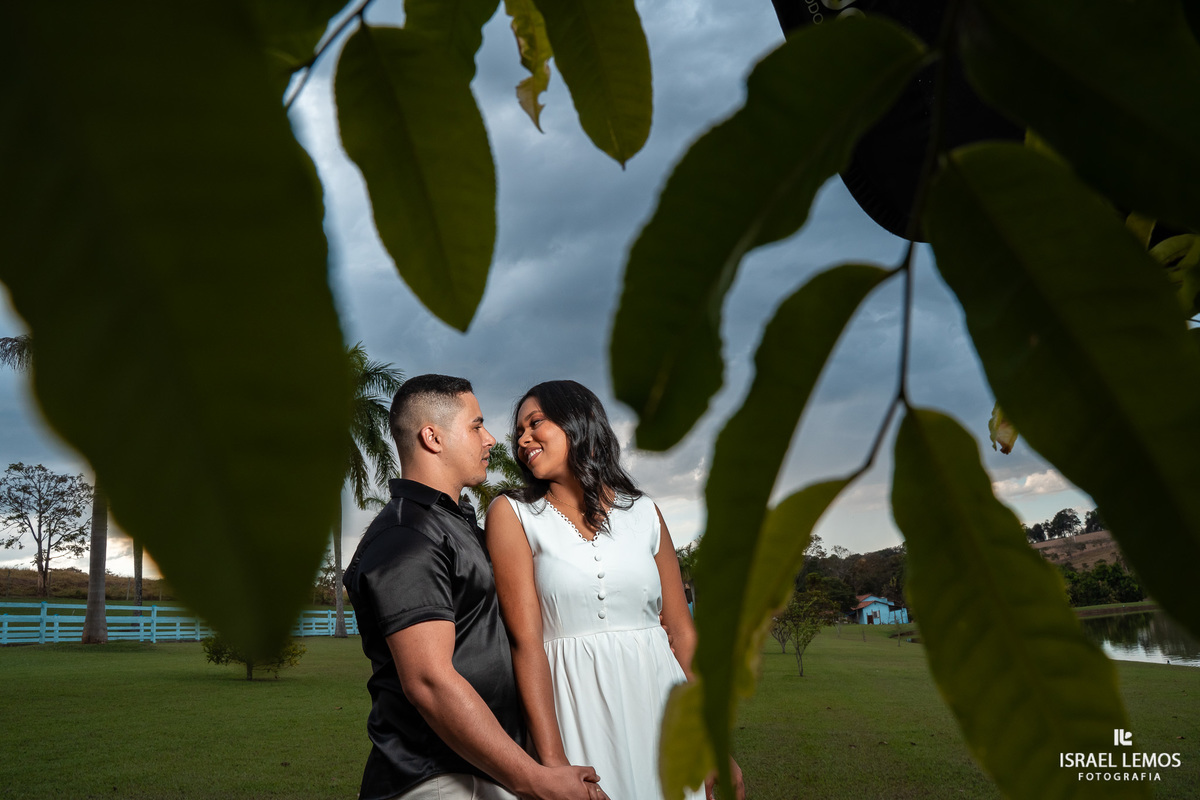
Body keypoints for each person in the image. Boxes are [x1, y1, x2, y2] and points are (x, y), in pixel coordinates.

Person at [343, 374, 610, 800]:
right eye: (475, 425)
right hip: (436, 780)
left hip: (482, 770)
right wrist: (532, 778)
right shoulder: (406, 536)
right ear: (432, 437)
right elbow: (430, 681)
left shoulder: (455, 522)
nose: (490, 439)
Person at [485, 380, 745, 800]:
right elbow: (526, 643)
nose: (522, 439)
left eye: (535, 423)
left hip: (662, 701)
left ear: (578, 423)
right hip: (573, 707)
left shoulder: (645, 512)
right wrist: (552, 762)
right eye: (519, 432)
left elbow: (681, 632)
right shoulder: (512, 513)